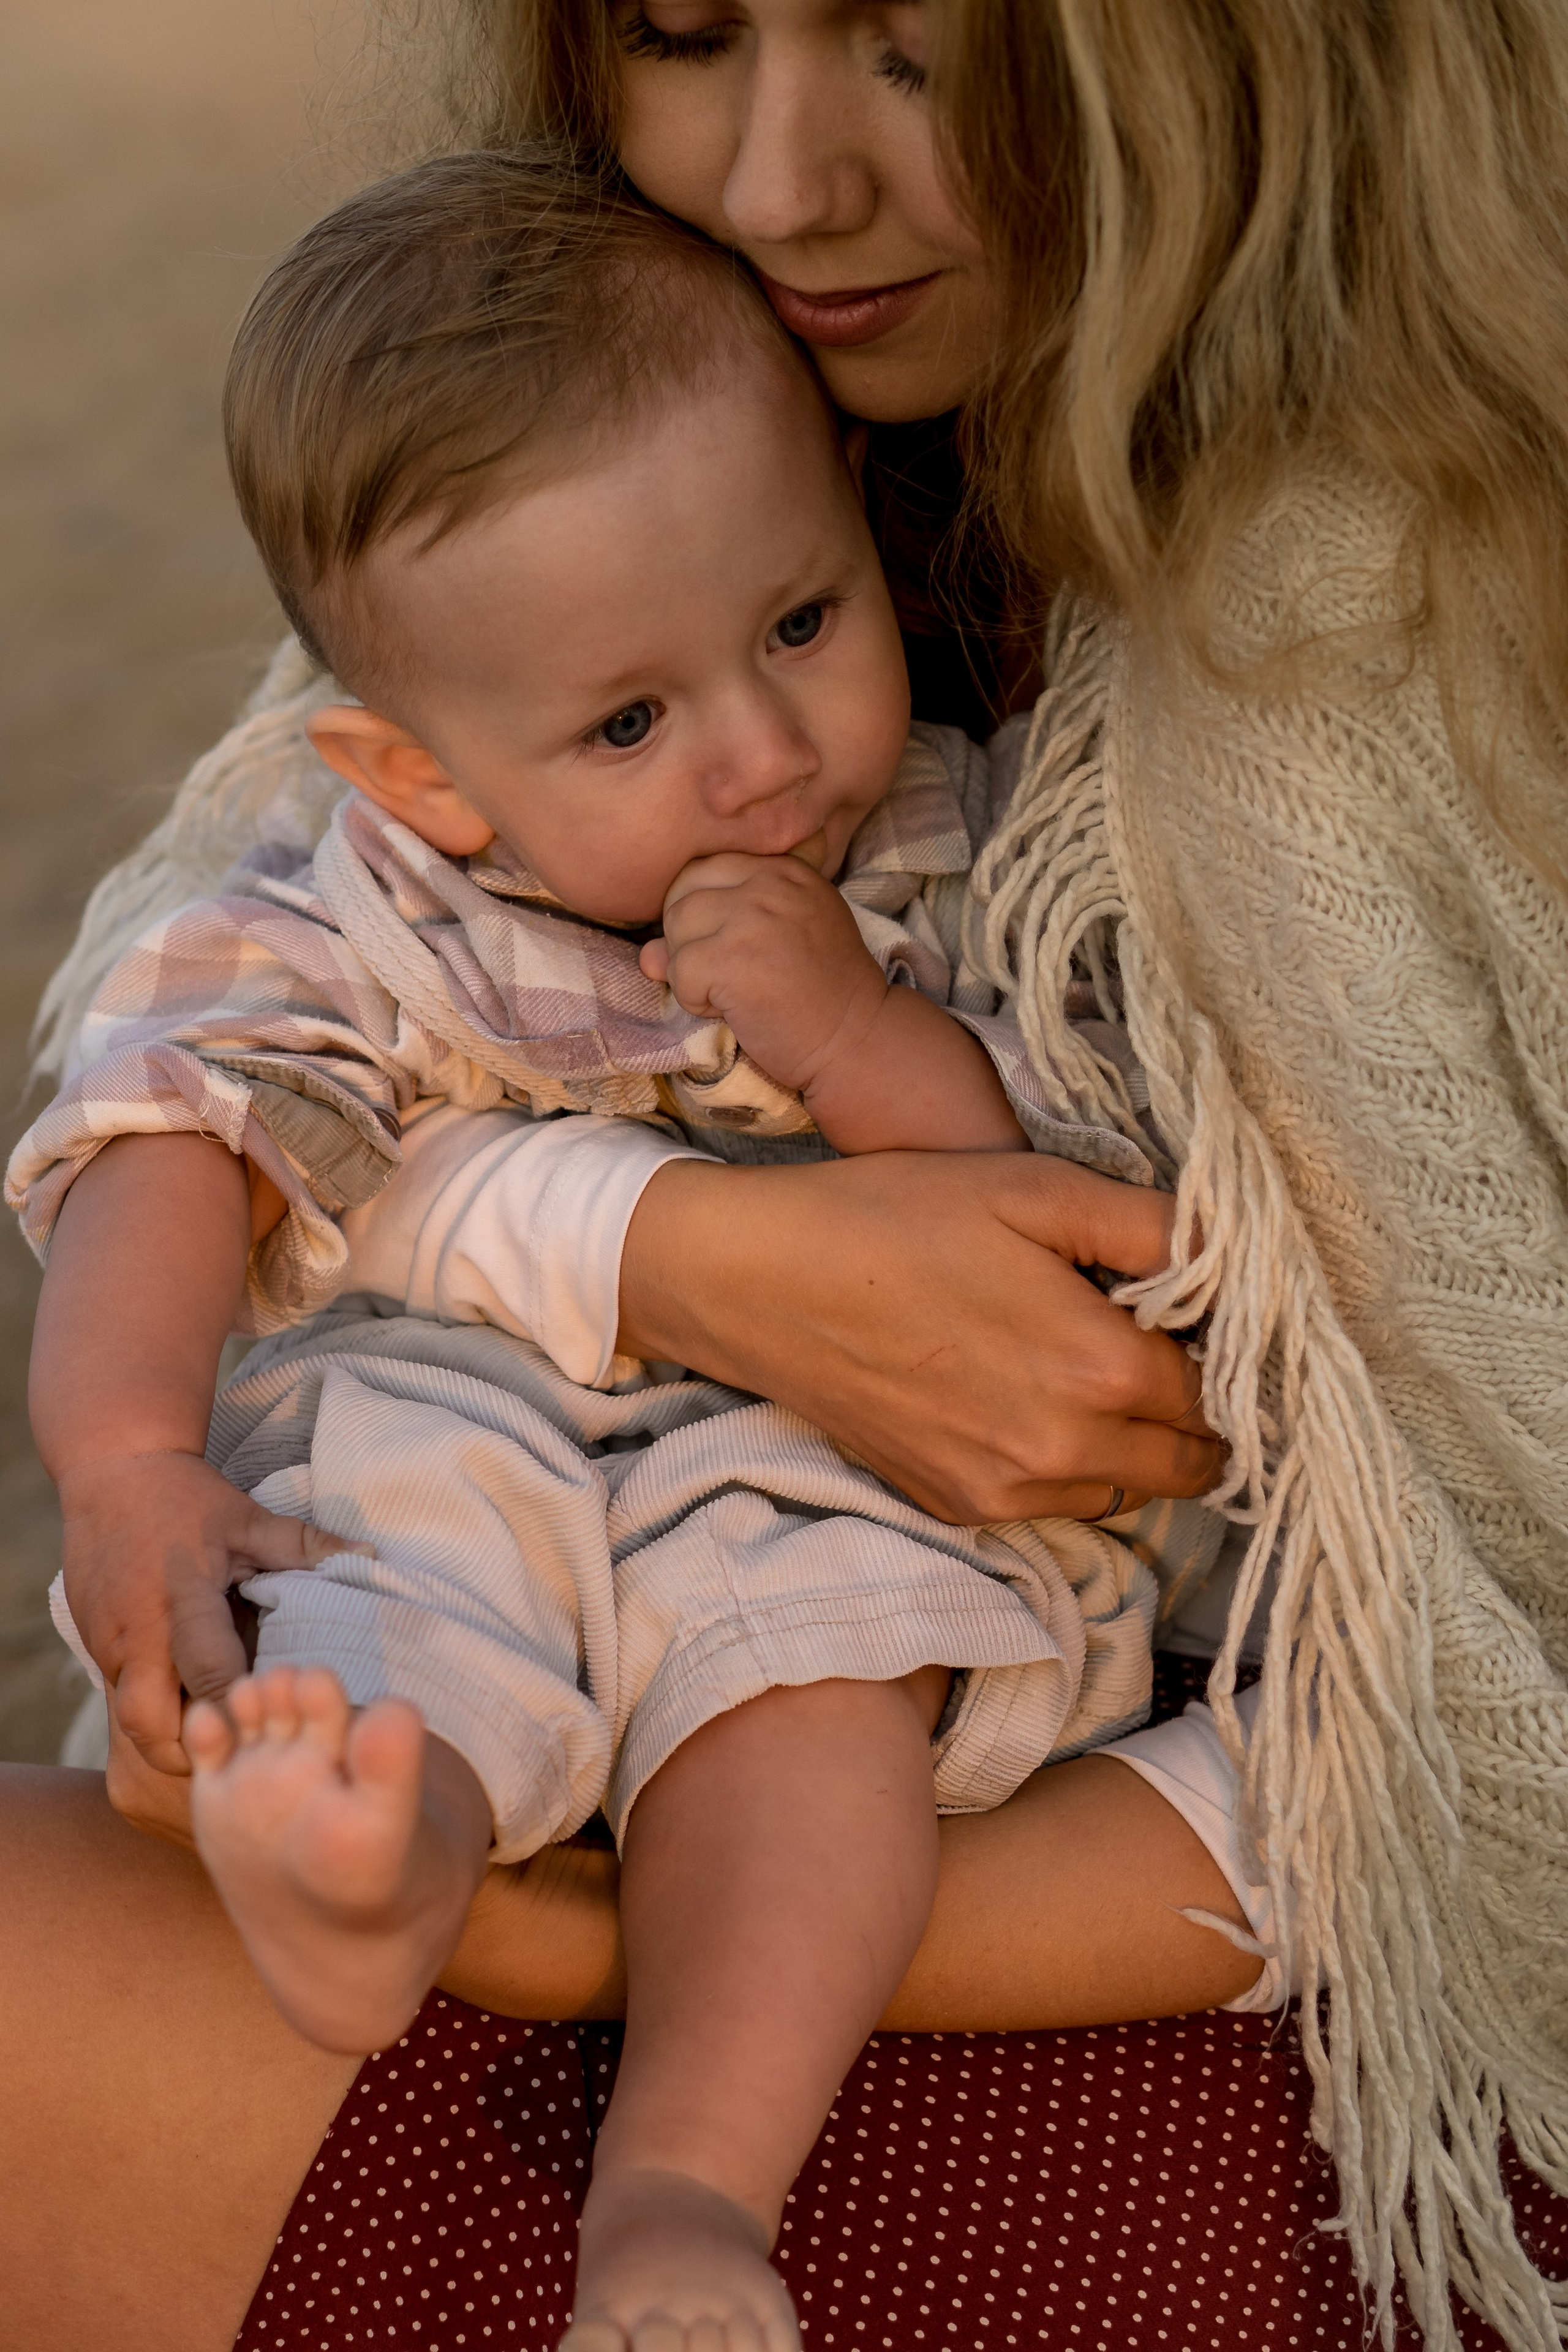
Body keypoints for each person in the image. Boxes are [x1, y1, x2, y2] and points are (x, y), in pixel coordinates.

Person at [1, 2, 1563, 2348]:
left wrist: (841, 1051)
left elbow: (1104, 1295)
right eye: (682, 29)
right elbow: (178, 1081)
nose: (775, 187)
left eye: (917, 52)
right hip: (478, 1498)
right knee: (372, 1630)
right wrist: (172, 1439)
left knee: (800, 1663)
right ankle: (378, 1862)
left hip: (1056, 1865)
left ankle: (659, 2169)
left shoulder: (1273, 676)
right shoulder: (589, 478)